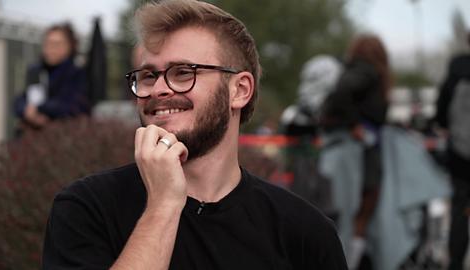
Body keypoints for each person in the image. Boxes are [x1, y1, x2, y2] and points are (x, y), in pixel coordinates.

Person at [42, 1, 347, 269]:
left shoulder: (305, 232)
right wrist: (163, 205)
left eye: (183, 72)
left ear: (239, 90)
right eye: (148, 75)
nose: (158, 89)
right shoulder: (86, 207)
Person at [320, 35, 391, 270]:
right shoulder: (366, 71)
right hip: (361, 150)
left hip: (354, 148)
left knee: (353, 214)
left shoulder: (351, 69)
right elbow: (343, 94)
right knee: (358, 214)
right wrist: (353, 125)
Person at [433, 32, 470, 270]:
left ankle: (455, 263)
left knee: (459, 210)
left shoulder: (458, 68)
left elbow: (441, 107)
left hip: (461, 153)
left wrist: (445, 125)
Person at [14, 23, 89, 130]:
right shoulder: (37, 71)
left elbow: (75, 108)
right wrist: (28, 112)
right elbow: (21, 100)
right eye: (47, 44)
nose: (51, 49)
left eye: (56, 44)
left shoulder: (77, 73)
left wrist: (40, 108)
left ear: (69, 46)